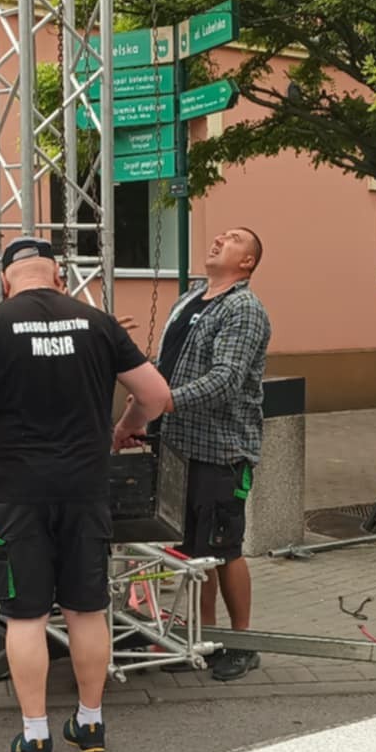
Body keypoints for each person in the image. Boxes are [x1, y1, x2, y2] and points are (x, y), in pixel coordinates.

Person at [0, 236, 171, 752]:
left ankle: (35, 737)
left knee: (27, 616)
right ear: (59, 277)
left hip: (20, 495)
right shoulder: (98, 323)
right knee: (87, 610)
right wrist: (123, 428)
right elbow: (157, 396)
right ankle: (90, 723)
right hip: (86, 490)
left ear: (5, 281)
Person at [114, 226, 270, 682]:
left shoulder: (243, 309)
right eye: (219, 234)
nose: (219, 239)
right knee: (193, 551)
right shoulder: (189, 299)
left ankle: (242, 643)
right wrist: (142, 408)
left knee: (224, 548)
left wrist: (164, 401)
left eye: (234, 238)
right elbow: (165, 368)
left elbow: (226, 380)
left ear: (248, 262)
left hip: (221, 449)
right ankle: (204, 638)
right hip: (178, 444)